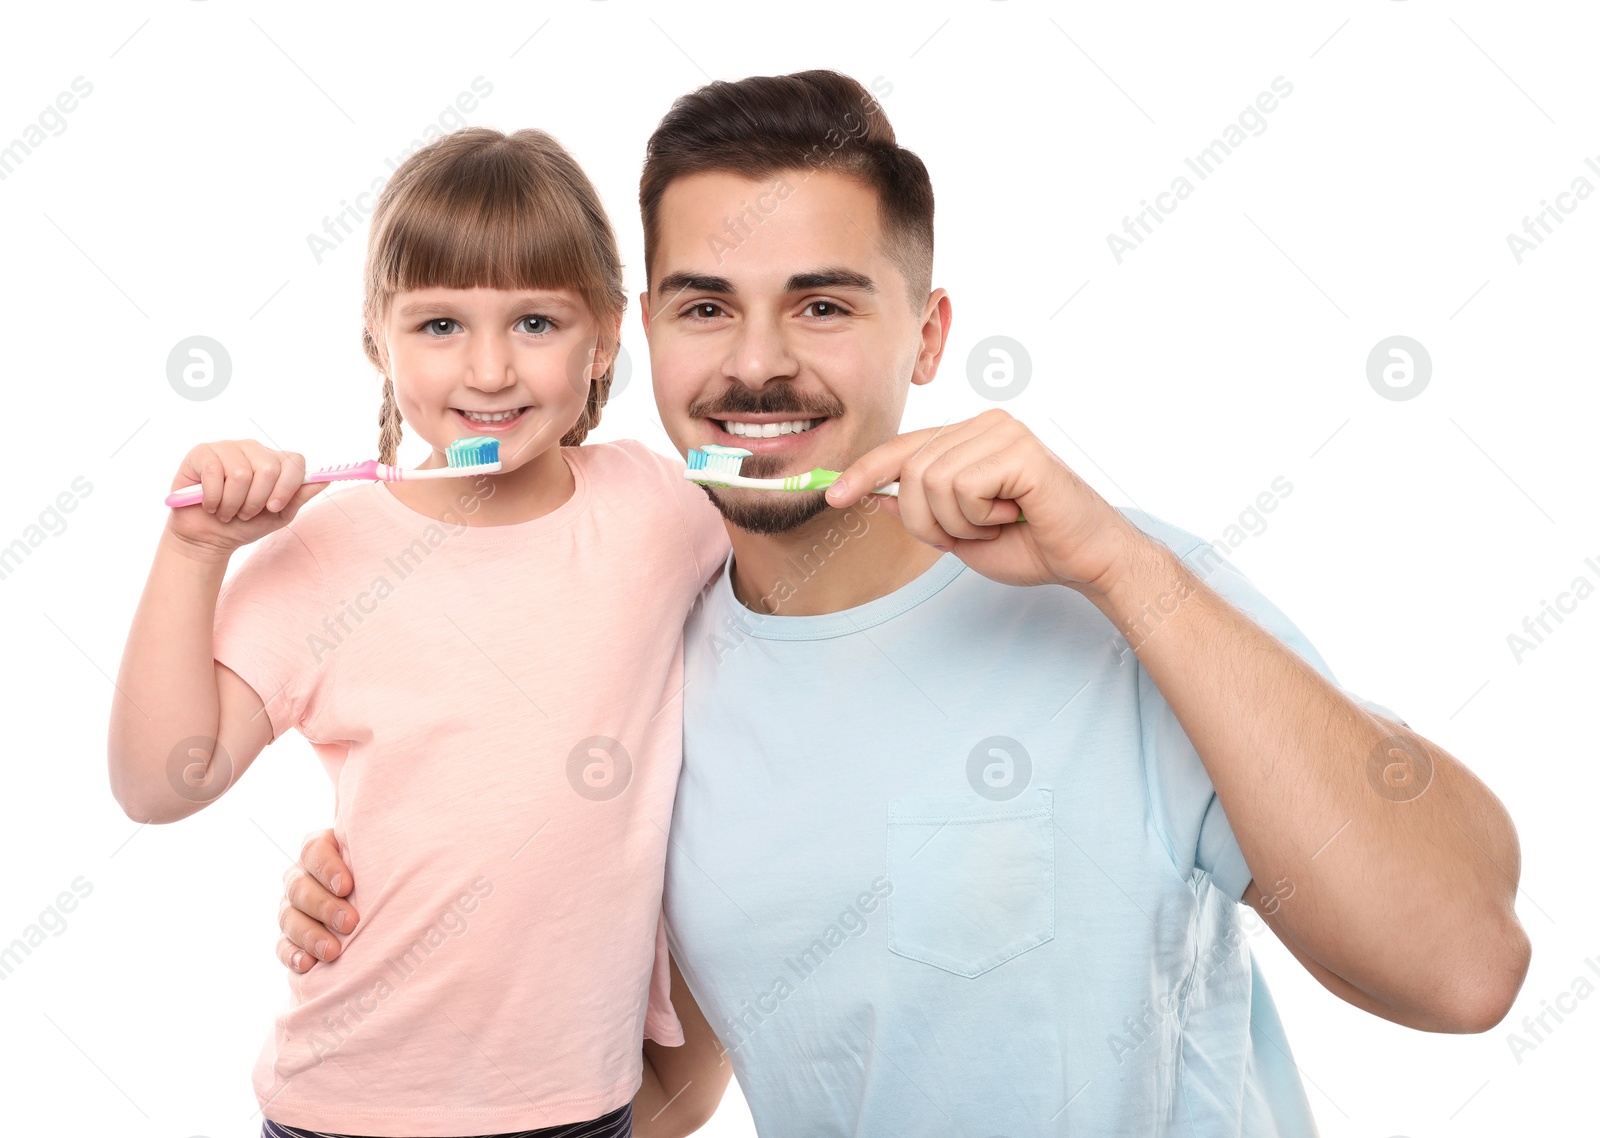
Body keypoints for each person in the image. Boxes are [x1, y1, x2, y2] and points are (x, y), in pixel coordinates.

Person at [279, 71, 1531, 1136]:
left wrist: (1116, 569)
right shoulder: (651, 660)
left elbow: (1465, 963)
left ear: (925, 337)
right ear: (641, 333)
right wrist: (400, 921)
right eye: (707, 305)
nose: (758, 361)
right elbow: (662, 1076)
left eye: (824, 304)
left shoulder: (1120, 589)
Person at [107, 127, 733, 1137]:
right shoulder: (325, 554)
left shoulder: (661, 509)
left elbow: (816, 548)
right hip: (349, 1105)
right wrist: (192, 555)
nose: (488, 367)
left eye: (535, 320)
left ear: (608, 335)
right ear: (376, 339)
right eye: (439, 324)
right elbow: (157, 782)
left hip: (584, 1102)